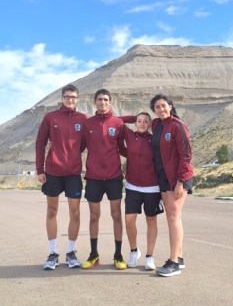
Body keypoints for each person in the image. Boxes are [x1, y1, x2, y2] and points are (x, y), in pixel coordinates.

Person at [35, 84, 87, 270]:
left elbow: (84, 144)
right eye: (67, 97)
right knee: (52, 211)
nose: (70, 100)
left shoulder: (83, 119)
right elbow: (40, 144)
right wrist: (40, 169)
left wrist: (72, 156)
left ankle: (71, 252)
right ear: (62, 98)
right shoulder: (50, 117)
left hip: (73, 173)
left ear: (78, 99)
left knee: (75, 213)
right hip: (53, 172)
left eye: (73, 97)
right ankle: (53, 253)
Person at [80, 89, 127, 270]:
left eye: (106, 100)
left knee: (116, 215)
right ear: (94, 102)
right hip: (93, 177)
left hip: (114, 177)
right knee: (94, 216)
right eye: (99, 99)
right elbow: (79, 147)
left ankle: (118, 255)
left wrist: (142, 155)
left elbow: (123, 148)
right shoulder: (87, 123)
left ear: (111, 101)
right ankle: (94, 255)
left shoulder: (118, 123)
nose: (102, 102)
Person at [150, 94, 194, 277]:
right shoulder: (156, 125)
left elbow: (186, 155)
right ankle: (180, 257)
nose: (161, 109)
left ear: (170, 106)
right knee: (173, 216)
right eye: (157, 107)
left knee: (173, 217)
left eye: (163, 106)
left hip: (177, 179)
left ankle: (173, 262)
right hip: (163, 177)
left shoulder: (177, 126)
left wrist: (181, 182)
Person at [121, 112, 163, 270]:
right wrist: (132, 118)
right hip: (132, 187)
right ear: (135, 123)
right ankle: (134, 252)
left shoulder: (154, 139)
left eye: (146, 121)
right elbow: (117, 121)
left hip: (152, 187)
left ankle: (149, 257)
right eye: (139, 121)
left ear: (150, 124)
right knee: (129, 220)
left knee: (151, 220)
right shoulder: (129, 135)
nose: (142, 123)